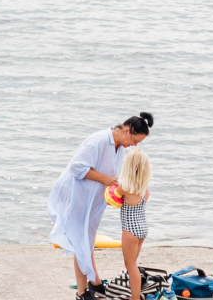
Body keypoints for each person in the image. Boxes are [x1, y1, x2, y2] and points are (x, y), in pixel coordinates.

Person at [48, 112, 153, 298]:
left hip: (93, 201)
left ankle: (95, 283)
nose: (134, 146)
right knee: (81, 243)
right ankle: (82, 292)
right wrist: (105, 179)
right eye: (135, 141)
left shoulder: (119, 147)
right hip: (78, 197)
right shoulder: (98, 140)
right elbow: (77, 167)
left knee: (87, 242)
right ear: (127, 130)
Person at [115, 148, 152, 292]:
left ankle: (135, 297)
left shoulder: (125, 187)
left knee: (131, 266)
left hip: (130, 230)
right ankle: (135, 290)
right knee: (132, 264)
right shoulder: (145, 190)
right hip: (142, 228)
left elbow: (111, 197)